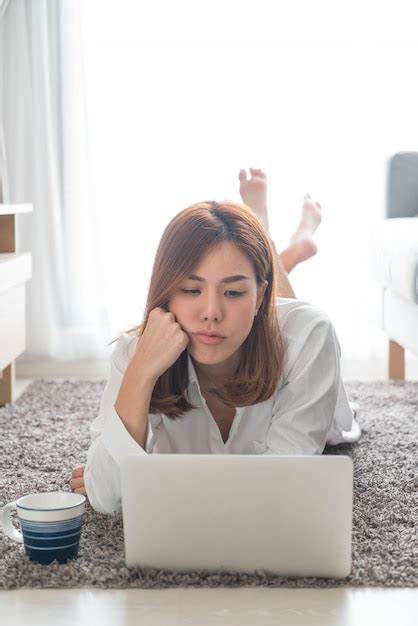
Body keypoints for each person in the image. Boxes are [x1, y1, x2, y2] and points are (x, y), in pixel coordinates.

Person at [69, 168, 361, 514]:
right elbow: (105, 498)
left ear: (257, 297)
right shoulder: (136, 349)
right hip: (260, 309)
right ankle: (270, 239)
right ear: (165, 293)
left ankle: (263, 231)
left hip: (304, 377)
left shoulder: (309, 336)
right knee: (266, 304)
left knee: (290, 322)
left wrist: (155, 481)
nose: (211, 313)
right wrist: (141, 373)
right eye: (191, 290)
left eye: (234, 292)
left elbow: (284, 483)